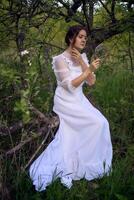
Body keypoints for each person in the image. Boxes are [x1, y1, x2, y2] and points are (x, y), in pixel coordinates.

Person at [29, 25, 113, 191]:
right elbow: (69, 86)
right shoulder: (60, 59)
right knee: (96, 123)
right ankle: (76, 163)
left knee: (102, 123)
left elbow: (91, 82)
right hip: (66, 100)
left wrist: (83, 62)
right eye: (80, 36)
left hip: (79, 99)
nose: (84, 40)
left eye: (85, 37)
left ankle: (91, 163)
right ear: (70, 38)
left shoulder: (82, 57)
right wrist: (89, 69)